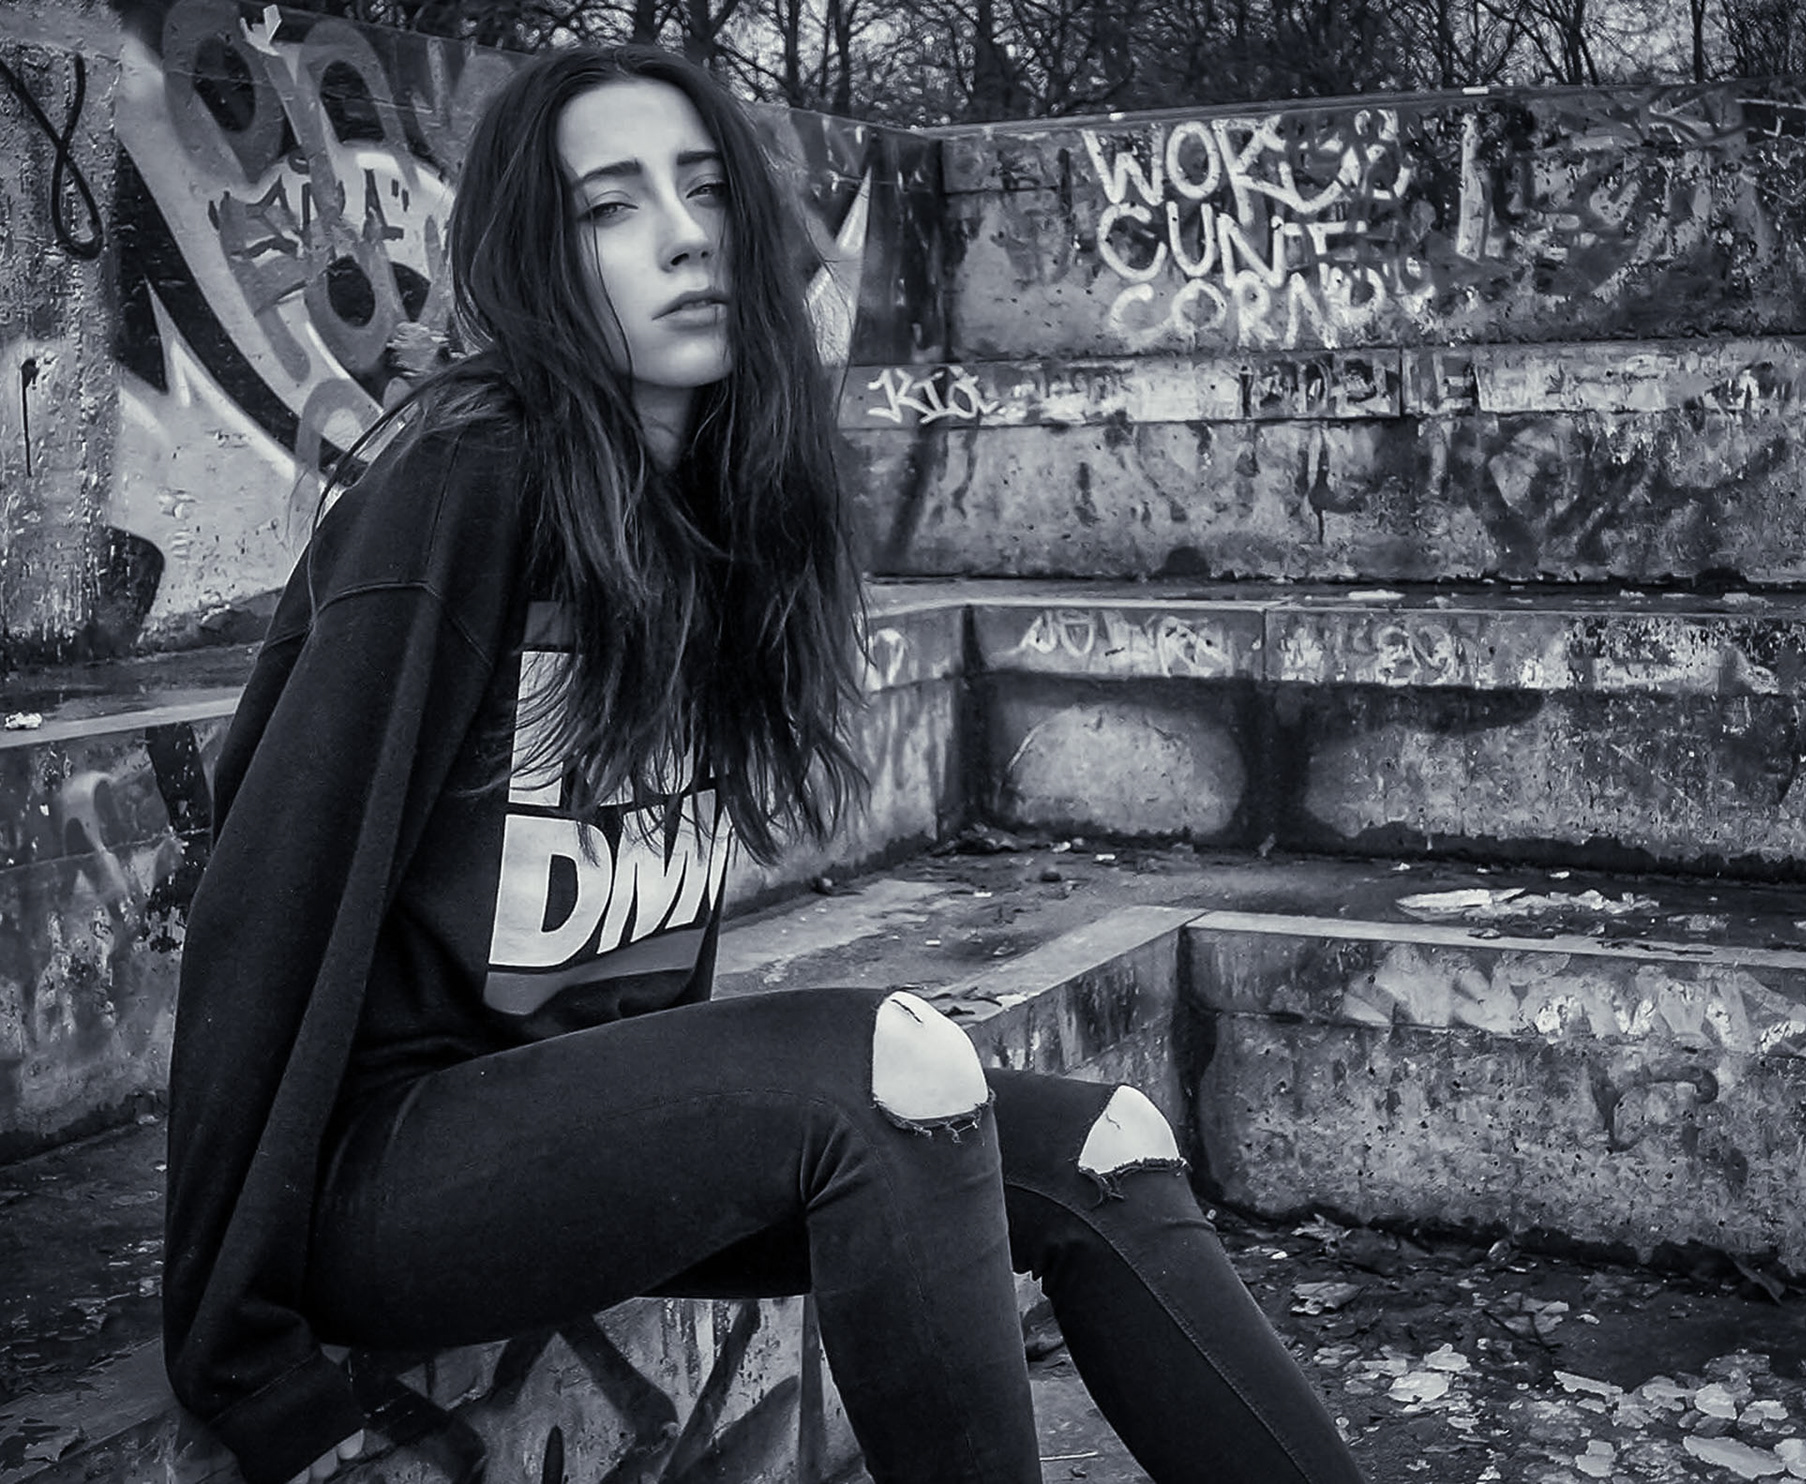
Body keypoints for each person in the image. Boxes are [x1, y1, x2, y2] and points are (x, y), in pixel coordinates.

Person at [162, 42, 1369, 1484]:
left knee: (1104, 1149)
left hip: (580, 1129)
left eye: (705, 191)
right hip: (389, 1178)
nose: (686, 239)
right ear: (535, 261)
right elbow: (270, 901)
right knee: (888, 1069)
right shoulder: (461, 486)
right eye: (611, 207)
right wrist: (244, 1358)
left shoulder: (721, 515)